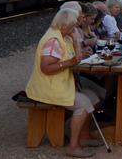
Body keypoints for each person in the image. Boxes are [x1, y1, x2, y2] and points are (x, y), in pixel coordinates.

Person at [26, 9, 100, 158]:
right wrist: (68, 62)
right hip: (48, 87)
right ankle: (73, 146)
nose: (75, 29)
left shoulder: (65, 36)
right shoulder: (53, 40)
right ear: (64, 25)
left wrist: (75, 41)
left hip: (61, 84)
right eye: (73, 26)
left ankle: (84, 137)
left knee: (93, 96)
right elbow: (46, 67)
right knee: (84, 103)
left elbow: (76, 58)